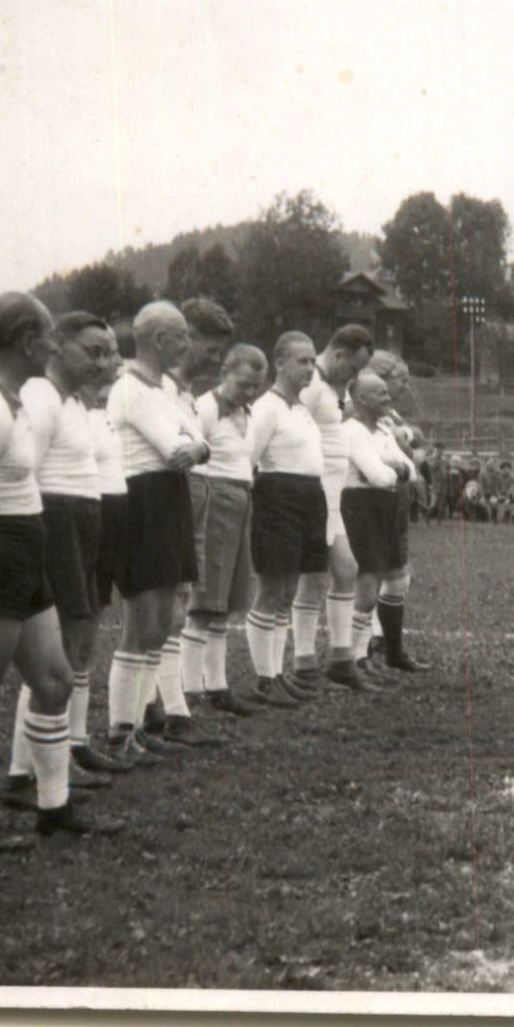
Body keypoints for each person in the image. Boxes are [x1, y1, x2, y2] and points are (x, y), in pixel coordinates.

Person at [0, 292, 125, 848]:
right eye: (48, 337)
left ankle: (54, 807)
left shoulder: (13, 398)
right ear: (27, 342)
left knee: (55, 679)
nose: (53, 346)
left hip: (25, 550)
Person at [1, 312, 125, 809]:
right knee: (52, 654)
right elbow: (22, 470)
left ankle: (66, 748)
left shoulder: (77, 402)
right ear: (58, 347)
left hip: (82, 517)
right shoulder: (41, 396)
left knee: (77, 644)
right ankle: (20, 772)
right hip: (54, 521)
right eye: (93, 351)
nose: (103, 361)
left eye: (108, 352)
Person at [104, 302, 210, 764]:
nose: (189, 345)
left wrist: (197, 447)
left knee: (162, 621)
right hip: (142, 500)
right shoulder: (130, 389)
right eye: (182, 336)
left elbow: (199, 440)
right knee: (143, 623)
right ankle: (119, 732)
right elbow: (174, 448)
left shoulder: (164, 387)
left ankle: (140, 727)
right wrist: (193, 446)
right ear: (160, 339)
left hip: (168, 498)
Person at [244, 331, 330, 709]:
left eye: (313, 361)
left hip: (310, 497)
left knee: (290, 592)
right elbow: (247, 459)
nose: (310, 368)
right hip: (277, 498)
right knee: (272, 590)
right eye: (302, 361)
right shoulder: (266, 408)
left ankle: (277, 674)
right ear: (279, 364)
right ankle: (265, 679)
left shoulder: (300, 410)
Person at [187, 344, 270, 718]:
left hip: (241, 498)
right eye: (243, 384)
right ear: (225, 371)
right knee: (206, 601)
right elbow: (192, 458)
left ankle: (217, 684)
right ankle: (190, 690)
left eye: (256, 386)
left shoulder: (247, 412)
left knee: (225, 604)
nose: (249, 392)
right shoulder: (205, 407)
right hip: (215, 499)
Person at [292, 325, 377, 692]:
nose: (355, 377)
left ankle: (339, 660)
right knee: (315, 579)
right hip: (314, 495)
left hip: (332, 496)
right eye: (354, 368)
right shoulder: (311, 388)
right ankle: (305, 665)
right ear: (339, 354)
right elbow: (293, 430)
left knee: (346, 570)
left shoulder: (331, 389)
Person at [172, 299, 237, 716]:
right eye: (209, 350)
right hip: (172, 498)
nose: (213, 361)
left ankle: (175, 705)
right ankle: (168, 705)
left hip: (196, 496)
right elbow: (183, 450)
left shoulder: (185, 393)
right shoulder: (152, 389)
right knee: (172, 609)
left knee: (183, 600)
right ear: (184, 337)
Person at [340, 369, 416, 685]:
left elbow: (410, 470)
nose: (387, 398)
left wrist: (395, 468)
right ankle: (357, 656)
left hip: (386, 506)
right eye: (380, 393)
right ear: (360, 399)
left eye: (387, 392)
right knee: (367, 584)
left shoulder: (383, 430)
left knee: (389, 579)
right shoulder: (352, 430)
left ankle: (376, 653)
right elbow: (378, 475)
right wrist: (394, 469)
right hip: (362, 507)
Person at [362, 349, 431, 673]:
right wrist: (407, 441)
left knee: (397, 573)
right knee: (373, 575)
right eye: (400, 380)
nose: (404, 387)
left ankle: (387, 644)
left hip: (396, 498)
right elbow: (402, 447)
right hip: (374, 498)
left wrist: (409, 439)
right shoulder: (358, 412)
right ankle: (369, 644)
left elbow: (417, 443)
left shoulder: (391, 415)